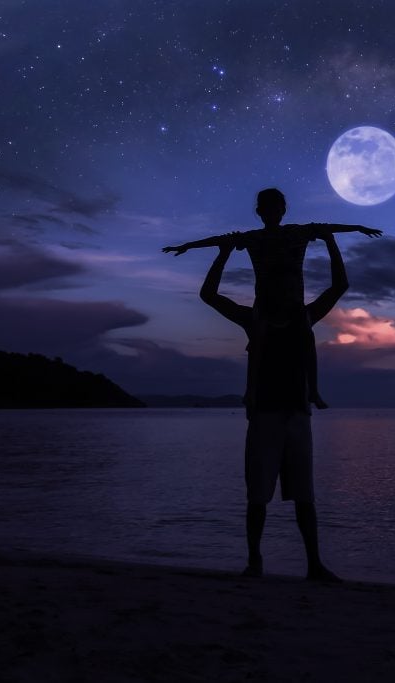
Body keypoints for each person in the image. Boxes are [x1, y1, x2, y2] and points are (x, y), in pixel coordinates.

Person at [198, 229, 348, 580]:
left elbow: (339, 286)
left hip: (297, 414)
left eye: (288, 286)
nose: (283, 291)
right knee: (258, 496)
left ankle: (314, 565)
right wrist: (223, 254)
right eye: (276, 287)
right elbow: (209, 295)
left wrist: (330, 241)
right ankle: (254, 562)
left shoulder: (303, 319)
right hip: (265, 415)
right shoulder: (256, 322)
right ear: (266, 291)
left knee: (304, 496)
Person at [164, 188, 380, 408]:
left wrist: (353, 229)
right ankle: (258, 391)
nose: (272, 212)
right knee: (267, 332)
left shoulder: (296, 233)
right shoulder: (255, 238)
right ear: (260, 211)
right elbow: (219, 242)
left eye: (275, 207)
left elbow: (329, 231)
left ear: (282, 210)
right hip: (267, 308)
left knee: (300, 331)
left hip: (292, 309)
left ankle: (311, 390)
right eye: (268, 208)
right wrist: (191, 246)